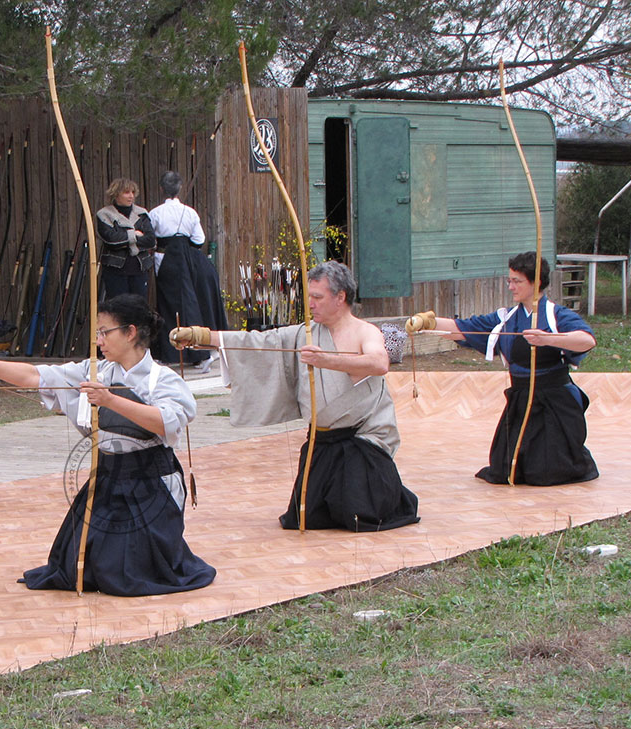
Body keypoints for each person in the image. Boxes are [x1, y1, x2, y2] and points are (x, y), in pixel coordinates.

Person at [0, 294, 215, 596]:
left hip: (151, 482)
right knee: (75, 563)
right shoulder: (95, 370)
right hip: (108, 477)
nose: (99, 341)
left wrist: (110, 400)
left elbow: (166, 421)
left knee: (126, 568)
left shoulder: (162, 380)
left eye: (105, 332)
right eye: (98, 333)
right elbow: (38, 376)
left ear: (130, 332)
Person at [171, 260, 419, 532]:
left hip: (364, 440)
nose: (310, 304)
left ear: (340, 297)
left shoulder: (365, 331)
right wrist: (201, 336)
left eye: (318, 297)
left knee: (360, 513)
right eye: (309, 297)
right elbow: (258, 342)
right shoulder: (306, 333)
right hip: (323, 442)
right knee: (305, 517)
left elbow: (379, 363)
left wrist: (327, 360)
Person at [406, 252, 598, 485]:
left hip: (555, 403)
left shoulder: (556, 315)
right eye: (509, 280)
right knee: (505, 469)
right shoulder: (506, 318)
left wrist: (548, 339)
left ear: (536, 282)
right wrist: (428, 322)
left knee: (546, 470)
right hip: (521, 400)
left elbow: (586, 340)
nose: (511, 286)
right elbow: (464, 328)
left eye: (517, 281)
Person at [148, 170, 229, 371]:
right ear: (180, 188)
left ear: (161, 189)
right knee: (190, 302)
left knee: (167, 304)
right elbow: (199, 239)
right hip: (186, 259)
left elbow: (150, 239)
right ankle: (197, 353)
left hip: (164, 259)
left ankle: (168, 354)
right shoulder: (190, 212)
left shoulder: (155, 213)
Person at [96, 179, 156, 300]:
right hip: (115, 270)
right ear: (116, 194)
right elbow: (111, 240)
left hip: (139, 269)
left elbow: (150, 240)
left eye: (133, 192)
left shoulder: (142, 214)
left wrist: (125, 239)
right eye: (126, 192)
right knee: (118, 307)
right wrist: (134, 235)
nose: (131, 196)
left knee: (139, 307)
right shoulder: (104, 214)